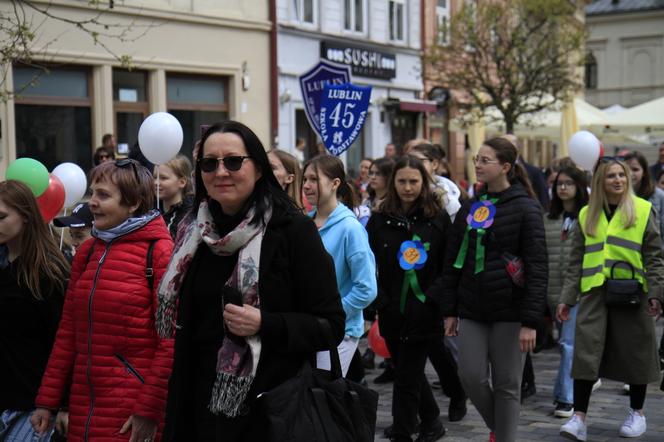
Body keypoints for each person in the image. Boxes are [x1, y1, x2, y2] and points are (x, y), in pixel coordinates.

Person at [158, 121, 345, 441]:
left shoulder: (292, 231)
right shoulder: (193, 233)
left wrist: (266, 323)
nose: (221, 172)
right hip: (198, 403)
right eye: (209, 163)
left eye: (233, 161)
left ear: (258, 169)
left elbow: (330, 324)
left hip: (268, 409)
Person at [31, 159, 175, 441]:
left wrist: (149, 410)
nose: (92, 202)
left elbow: (169, 342)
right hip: (83, 409)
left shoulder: (160, 252)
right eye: (93, 192)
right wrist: (48, 401)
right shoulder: (87, 253)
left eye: (103, 195)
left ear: (133, 203)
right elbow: (68, 332)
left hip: (131, 413)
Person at [442, 136, 547, 442]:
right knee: (470, 376)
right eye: (476, 159)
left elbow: (538, 267)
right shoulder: (470, 208)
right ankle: (500, 431)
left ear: (505, 167)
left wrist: (531, 321)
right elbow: (452, 263)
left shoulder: (527, 208)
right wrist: (449, 310)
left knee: (507, 385)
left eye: (484, 161)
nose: (477, 165)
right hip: (472, 309)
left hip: (511, 313)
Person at [557, 157, 664, 441]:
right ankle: (579, 419)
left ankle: (637, 413)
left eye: (621, 175)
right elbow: (575, 261)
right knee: (585, 352)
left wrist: (656, 293)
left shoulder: (643, 209)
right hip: (594, 293)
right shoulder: (585, 214)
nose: (618, 180)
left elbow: (654, 256)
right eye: (611, 176)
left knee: (637, 351)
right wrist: (566, 299)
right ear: (599, 182)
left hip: (633, 293)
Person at [366, 155, 451, 442]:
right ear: (393, 183)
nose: (407, 187)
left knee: (405, 378)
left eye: (414, 181)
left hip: (424, 311)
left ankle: (402, 432)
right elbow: (370, 263)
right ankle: (432, 422)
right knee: (406, 371)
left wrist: (430, 300)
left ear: (423, 182)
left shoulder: (437, 218)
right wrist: (381, 301)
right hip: (391, 310)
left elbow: (447, 266)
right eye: (402, 181)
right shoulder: (380, 219)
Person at [0, 180, 70, 442]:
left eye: (2, 217)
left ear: (26, 217)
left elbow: (63, 343)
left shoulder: (46, 275)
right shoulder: (5, 266)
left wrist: (62, 404)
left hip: (34, 408)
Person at [302, 155, 377, 376]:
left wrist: (332, 314)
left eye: (314, 179)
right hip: (305, 328)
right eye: (305, 179)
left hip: (338, 332)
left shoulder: (350, 229)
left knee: (322, 397)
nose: (306, 185)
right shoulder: (304, 223)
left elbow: (367, 288)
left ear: (335, 184)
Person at [544, 167, 589, 418]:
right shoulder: (548, 217)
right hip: (551, 292)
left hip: (577, 292)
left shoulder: (589, 216)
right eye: (559, 183)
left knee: (568, 345)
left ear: (579, 186)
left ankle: (565, 397)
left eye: (569, 183)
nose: (563, 187)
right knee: (568, 344)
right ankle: (584, 378)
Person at [409, 143, 461, 220]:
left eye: (419, 161)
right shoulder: (404, 192)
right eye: (409, 161)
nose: (412, 165)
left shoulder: (449, 200)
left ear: (434, 164)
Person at [624, 151, 664, 247]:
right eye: (626, 169)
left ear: (644, 172)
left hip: (653, 252)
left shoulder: (659, 196)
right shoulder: (616, 196)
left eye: (635, 169)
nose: (630, 173)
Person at [503, 134, 550, 211]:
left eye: (507, 144)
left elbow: (543, 198)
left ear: (517, 147)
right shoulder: (494, 172)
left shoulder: (534, 172)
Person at [155, 154, 194, 239]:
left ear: (182, 182)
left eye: (163, 178)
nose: (156, 182)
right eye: (155, 177)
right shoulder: (151, 212)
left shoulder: (189, 217)